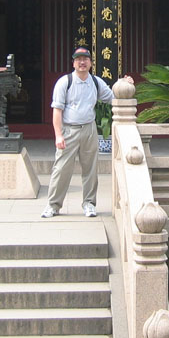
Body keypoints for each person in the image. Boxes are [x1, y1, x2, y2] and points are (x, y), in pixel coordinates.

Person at [41, 47, 133, 218]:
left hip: (89, 130)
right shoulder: (65, 82)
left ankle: (89, 204)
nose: (82, 62)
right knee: (61, 169)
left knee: (90, 170)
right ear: (73, 63)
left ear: (91, 63)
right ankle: (53, 205)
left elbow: (114, 97)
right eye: (78, 59)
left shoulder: (96, 82)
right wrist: (58, 135)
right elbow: (57, 111)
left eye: (85, 59)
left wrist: (126, 84)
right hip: (69, 130)